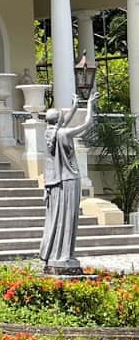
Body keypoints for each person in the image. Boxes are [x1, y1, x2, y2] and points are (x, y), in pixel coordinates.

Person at [39, 90, 99, 273]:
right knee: (68, 218)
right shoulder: (63, 134)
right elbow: (87, 124)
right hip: (69, 180)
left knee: (57, 218)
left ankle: (54, 254)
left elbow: (60, 123)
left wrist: (73, 107)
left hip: (55, 183)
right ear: (58, 121)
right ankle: (64, 255)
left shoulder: (49, 134)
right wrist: (89, 105)